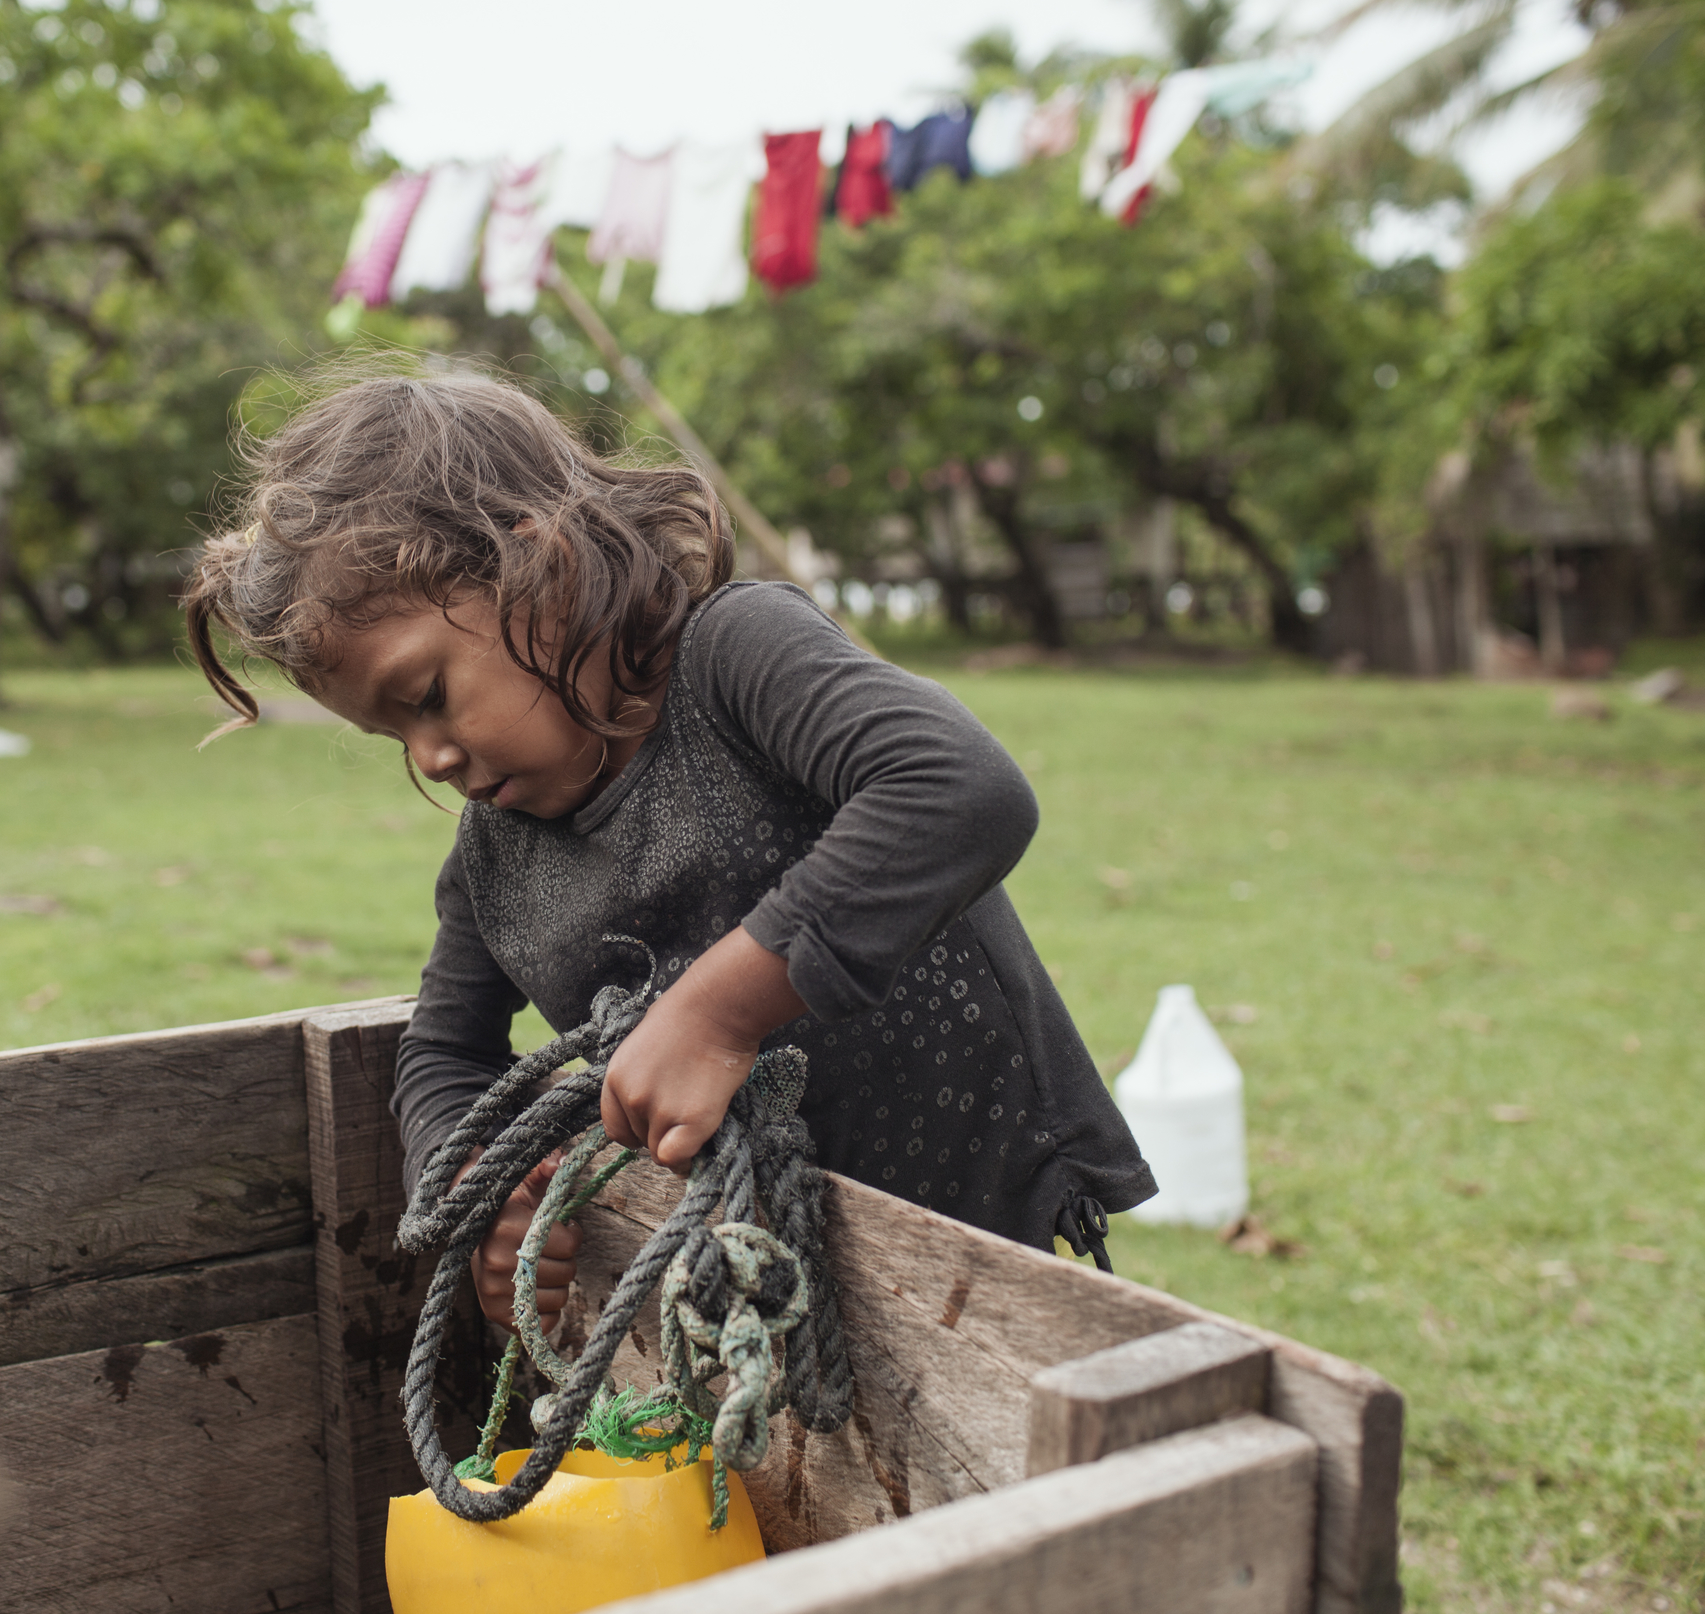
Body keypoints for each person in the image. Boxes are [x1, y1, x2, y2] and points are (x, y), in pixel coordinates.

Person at [183, 369, 1152, 1332]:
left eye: (427, 694)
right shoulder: (495, 852)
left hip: (975, 1222)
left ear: (543, 566)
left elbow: (958, 789)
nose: (431, 756)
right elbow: (444, 1049)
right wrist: (483, 1186)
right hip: (748, 1280)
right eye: (392, 736)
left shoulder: (734, 658)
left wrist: (720, 1010)